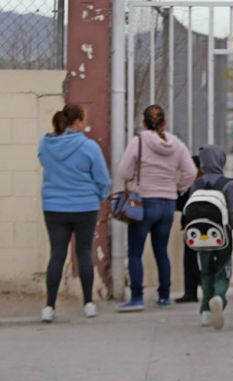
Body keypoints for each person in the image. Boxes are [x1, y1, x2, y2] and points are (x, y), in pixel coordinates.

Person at [116, 105, 197, 312]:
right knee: (161, 251)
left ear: (143, 123)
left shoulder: (138, 142)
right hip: (168, 203)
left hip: (143, 202)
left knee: (135, 252)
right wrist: (178, 189)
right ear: (165, 122)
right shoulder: (177, 144)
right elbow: (190, 171)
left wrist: (137, 177)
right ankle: (164, 296)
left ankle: (136, 297)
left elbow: (123, 172)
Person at [38, 104, 111, 322]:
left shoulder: (45, 143)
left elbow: (43, 162)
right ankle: (88, 303)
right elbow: (103, 179)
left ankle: (49, 307)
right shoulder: (89, 147)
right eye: (85, 119)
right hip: (84, 207)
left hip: (53, 207)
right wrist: (99, 195)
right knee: (84, 253)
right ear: (77, 121)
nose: (86, 123)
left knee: (57, 254)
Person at [191, 144, 233, 330]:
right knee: (223, 271)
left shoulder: (196, 183)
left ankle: (205, 311)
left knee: (206, 272)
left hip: (200, 236)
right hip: (222, 235)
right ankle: (219, 298)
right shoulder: (228, 183)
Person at [175, 155, 203, 304]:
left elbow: (179, 204)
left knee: (191, 260)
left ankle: (193, 291)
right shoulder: (212, 181)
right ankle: (193, 291)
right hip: (209, 227)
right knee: (198, 259)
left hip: (192, 226)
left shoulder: (192, 184)